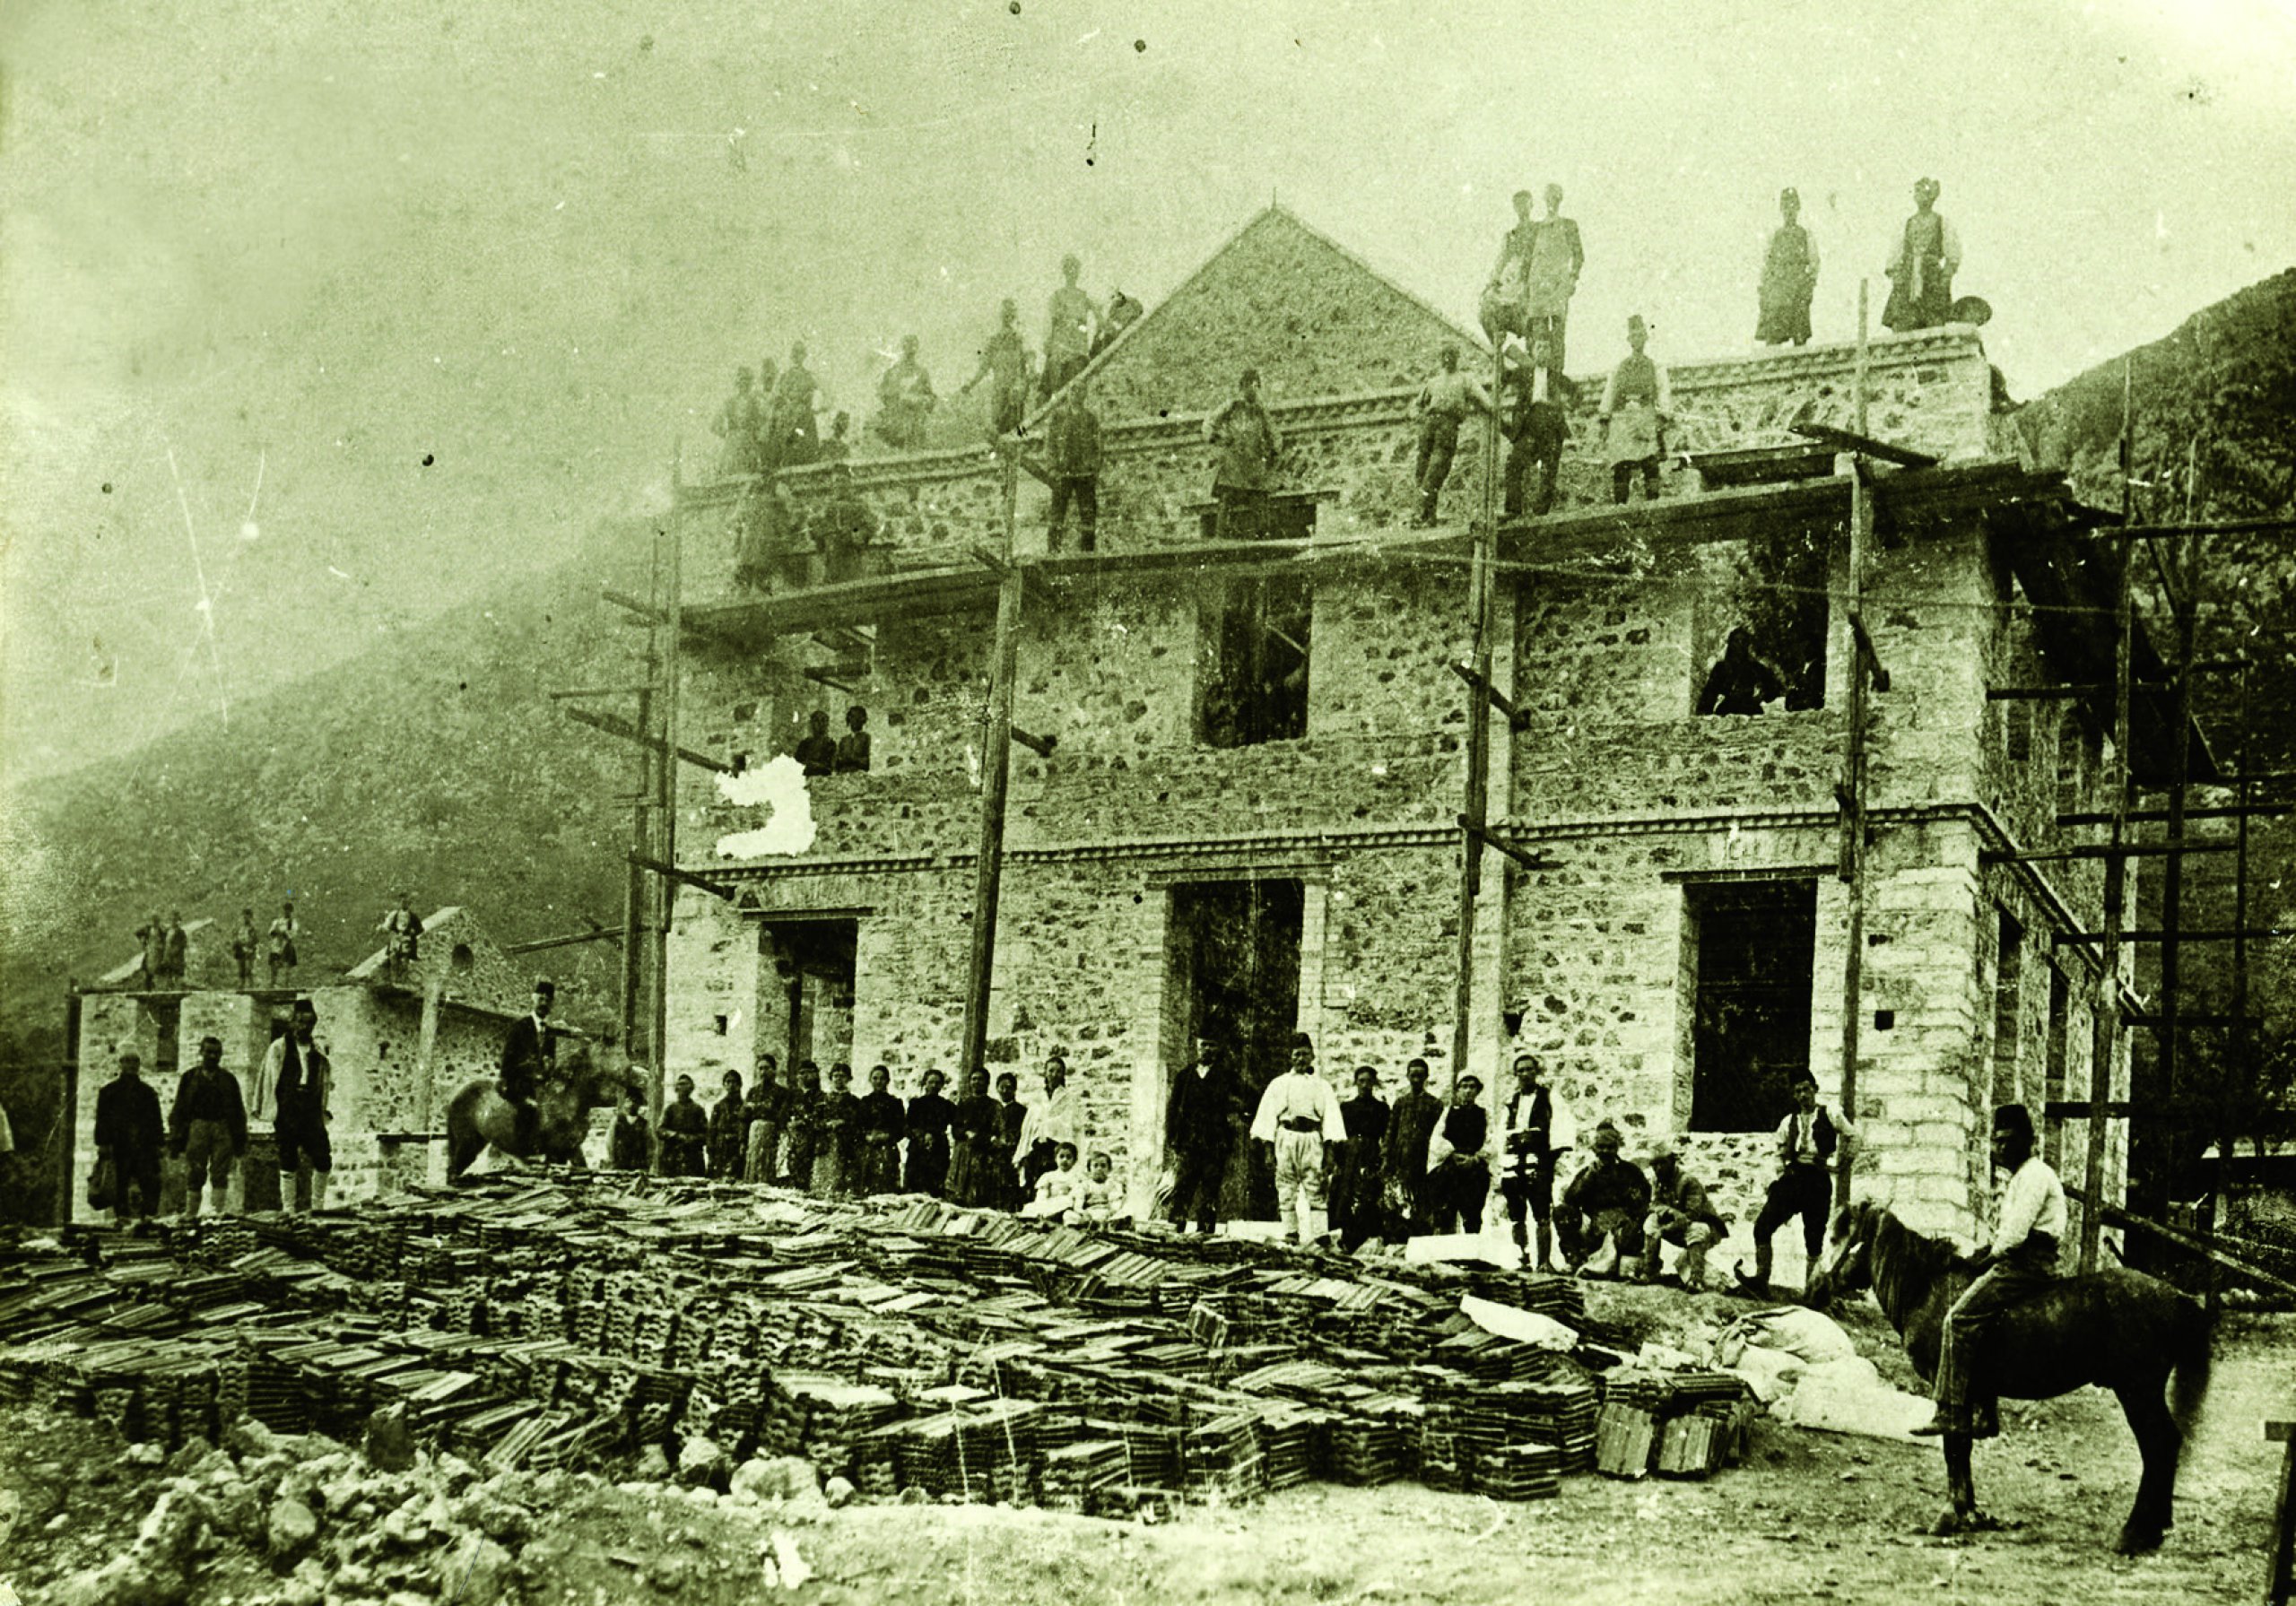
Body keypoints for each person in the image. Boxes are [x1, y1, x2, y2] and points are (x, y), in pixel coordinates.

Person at [1914, 1105, 2066, 1439]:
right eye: (1997, 1141)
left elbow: (2014, 1236)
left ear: (2028, 1141)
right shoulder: (2020, 1177)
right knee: (1985, 1321)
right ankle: (1985, 1413)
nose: (2001, 1148)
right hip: (2022, 1258)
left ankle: (1950, 1411)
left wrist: (1986, 1259)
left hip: (2027, 1264)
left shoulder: (2034, 1176)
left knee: (1958, 1320)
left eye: (2008, 1140)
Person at [1738, 1069, 1855, 1296]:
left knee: (1814, 1239)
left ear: (1815, 1089)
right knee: (1762, 1226)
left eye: (1806, 1089)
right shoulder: (1788, 1122)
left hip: (1818, 1181)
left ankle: (1811, 1291)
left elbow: (1853, 1136)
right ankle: (1761, 1279)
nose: (1802, 1095)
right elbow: (1778, 1152)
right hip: (1794, 1179)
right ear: (1794, 1095)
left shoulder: (1830, 1113)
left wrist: (1841, 1165)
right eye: (1798, 1091)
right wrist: (1779, 1175)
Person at [1249, 1033, 1347, 1246]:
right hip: (1286, 1137)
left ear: (1312, 1056)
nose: (1301, 1059)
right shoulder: (1279, 1084)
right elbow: (1267, 1117)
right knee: (1286, 1186)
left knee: (1316, 1186)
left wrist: (1329, 1152)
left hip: (1312, 1139)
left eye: (1304, 1054)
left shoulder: (1322, 1085)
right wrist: (1268, 1150)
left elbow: (1331, 1119)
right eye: (1296, 1055)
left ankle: (1320, 1233)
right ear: (1290, 1057)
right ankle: (1291, 1232)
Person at [252, 999, 334, 1212]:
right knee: (288, 1157)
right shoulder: (279, 1048)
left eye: (309, 1023)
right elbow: (269, 1078)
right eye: (300, 1022)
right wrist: (272, 1108)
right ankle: (289, 1209)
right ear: (292, 1023)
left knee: (323, 1157)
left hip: (310, 1107)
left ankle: (318, 1205)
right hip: (288, 1107)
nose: (304, 1027)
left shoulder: (317, 1050)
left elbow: (324, 1080)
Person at [1499, 1053, 1577, 1270]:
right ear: (1516, 1074)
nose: (1525, 1074)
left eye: (1529, 1069)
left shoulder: (1549, 1098)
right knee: (1517, 1215)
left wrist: (1550, 1158)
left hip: (1538, 1162)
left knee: (1542, 1214)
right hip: (1514, 1163)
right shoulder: (1511, 1102)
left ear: (1537, 1072)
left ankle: (1544, 1261)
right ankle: (1522, 1259)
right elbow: (1502, 1133)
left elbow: (1562, 1127)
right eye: (1520, 1071)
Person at [1411, 345, 1492, 527]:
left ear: (1457, 358)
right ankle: (1428, 517)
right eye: (1444, 355)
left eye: (1451, 355)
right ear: (1441, 359)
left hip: (1448, 426)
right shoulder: (1433, 382)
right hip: (1429, 425)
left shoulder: (1465, 379)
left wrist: (1489, 407)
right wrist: (1419, 417)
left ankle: (1420, 512)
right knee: (1422, 469)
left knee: (1437, 468)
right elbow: (1416, 405)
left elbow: (1485, 400)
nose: (1447, 359)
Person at [1557, 1120, 1651, 1275]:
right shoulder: (1587, 1172)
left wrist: (1626, 1218)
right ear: (1594, 1149)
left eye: (1610, 1147)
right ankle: (1574, 1260)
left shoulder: (1630, 1171)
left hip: (1623, 1232)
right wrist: (1588, 1178)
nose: (1605, 1151)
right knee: (1562, 1212)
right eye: (1601, 1147)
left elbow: (1644, 1202)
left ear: (1617, 1148)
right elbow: (1570, 1200)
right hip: (1594, 1232)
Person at [1163, 1037, 1237, 1234]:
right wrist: (1172, 1137)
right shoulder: (1185, 1076)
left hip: (1215, 1144)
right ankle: (1174, 1231)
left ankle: (1204, 1234)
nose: (1207, 1049)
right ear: (1197, 1047)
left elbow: (1248, 1098)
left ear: (1218, 1048)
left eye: (1212, 1045)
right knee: (1182, 1189)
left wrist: (1233, 1116)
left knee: (1209, 1192)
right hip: (1189, 1143)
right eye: (1204, 1045)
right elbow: (1172, 1109)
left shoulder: (1226, 1075)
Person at [170, 1037, 247, 1220]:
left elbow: (238, 1110)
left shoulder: (228, 1079)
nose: (212, 1056)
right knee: (195, 1171)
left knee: (220, 1172)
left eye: (216, 1053)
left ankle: (217, 1213)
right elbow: (180, 1108)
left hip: (222, 1127)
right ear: (201, 1053)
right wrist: (176, 1138)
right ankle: (191, 1213)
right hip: (198, 1126)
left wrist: (240, 1140)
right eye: (209, 1052)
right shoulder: (189, 1078)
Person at [1599, 316, 1671, 506]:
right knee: (1621, 464)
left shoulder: (1654, 366)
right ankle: (1620, 507)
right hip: (1623, 419)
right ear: (1629, 340)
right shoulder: (1620, 367)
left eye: (1640, 336)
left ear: (1645, 338)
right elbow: (1610, 390)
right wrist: (1605, 417)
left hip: (1645, 416)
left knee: (1650, 462)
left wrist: (1663, 415)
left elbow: (1663, 390)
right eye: (1633, 336)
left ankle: (1653, 504)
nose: (1637, 340)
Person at [1205, 369, 1283, 542]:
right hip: (1233, 462)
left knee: (1260, 502)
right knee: (1226, 498)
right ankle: (1220, 537)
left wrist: (1274, 451)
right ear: (1243, 387)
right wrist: (1219, 437)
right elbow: (1209, 424)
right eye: (1250, 386)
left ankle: (1263, 539)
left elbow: (1274, 433)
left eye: (1256, 387)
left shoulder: (1260, 411)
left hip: (1254, 463)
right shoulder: (1231, 406)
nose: (1253, 391)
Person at [1639, 1139, 1727, 1289]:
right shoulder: (1657, 1181)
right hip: (1678, 1226)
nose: (1658, 1168)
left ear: (1672, 1161)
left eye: (1662, 1163)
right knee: (1651, 1222)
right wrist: (1671, 1211)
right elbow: (1654, 1205)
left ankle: (1696, 1279)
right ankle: (1650, 1270)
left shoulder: (1689, 1181)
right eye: (1654, 1165)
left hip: (1706, 1230)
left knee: (1697, 1229)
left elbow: (1691, 1216)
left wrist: (1664, 1230)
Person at [1500, 331, 1570, 520]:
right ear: (1532, 351)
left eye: (1547, 347)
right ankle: (1513, 509)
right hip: (1530, 424)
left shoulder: (1556, 376)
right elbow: (1503, 377)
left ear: (1551, 353)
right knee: (1514, 463)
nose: (1543, 351)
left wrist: (1565, 405)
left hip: (1551, 424)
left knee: (1549, 468)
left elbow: (1575, 393)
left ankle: (1541, 512)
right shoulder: (1524, 374)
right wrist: (1500, 349)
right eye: (1539, 347)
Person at [1882, 178, 1961, 334]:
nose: (1920, 197)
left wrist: (1945, 279)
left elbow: (1953, 256)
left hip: (1932, 278)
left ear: (1932, 196)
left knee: (1934, 321)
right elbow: (1894, 258)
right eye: (1917, 192)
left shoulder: (1942, 222)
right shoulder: (1907, 224)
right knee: (1902, 321)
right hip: (1907, 279)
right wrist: (1897, 277)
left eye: (1924, 193)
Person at [1520, 184, 1585, 371]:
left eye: (1555, 198)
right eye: (1549, 198)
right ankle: (1536, 375)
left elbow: (1578, 255)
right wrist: (1524, 288)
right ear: (1544, 199)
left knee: (1557, 334)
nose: (1551, 202)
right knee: (1537, 332)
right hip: (1537, 286)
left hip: (1558, 286)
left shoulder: (1568, 225)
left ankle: (1556, 375)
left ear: (1560, 200)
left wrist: (1572, 278)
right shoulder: (1535, 228)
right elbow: (1526, 261)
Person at [95, 1051, 165, 1223]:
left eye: (134, 1062)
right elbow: (102, 1120)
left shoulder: (148, 1093)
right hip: (120, 1144)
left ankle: (148, 1216)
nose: (131, 1065)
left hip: (144, 1145)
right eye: (127, 1061)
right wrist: (103, 1143)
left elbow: (156, 1121)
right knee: (119, 1181)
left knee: (149, 1180)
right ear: (120, 1064)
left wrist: (159, 1144)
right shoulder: (108, 1092)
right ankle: (122, 1216)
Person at [1383, 1058, 1445, 1238]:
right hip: (1401, 1159)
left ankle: (1422, 1236)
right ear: (1407, 1077)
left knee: (1423, 1199)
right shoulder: (1400, 1103)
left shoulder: (1435, 1104)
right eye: (1413, 1075)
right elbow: (1391, 1131)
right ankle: (1400, 1238)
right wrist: (1386, 1155)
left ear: (1426, 1077)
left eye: (1420, 1075)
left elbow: (1439, 1133)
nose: (1416, 1079)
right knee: (1400, 1198)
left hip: (1423, 1159)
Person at [1425, 1075, 1494, 1234]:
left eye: (1472, 1087)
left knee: (1473, 1214)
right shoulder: (1448, 1112)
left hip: (1474, 1167)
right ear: (1457, 1090)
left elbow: (1492, 1139)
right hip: (1452, 1166)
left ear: (1478, 1091)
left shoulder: (1484, 1114)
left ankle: (1472, 1245)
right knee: (1446, 1212)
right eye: (1464, 1086)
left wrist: (1475, 1158)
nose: (1468, 1091)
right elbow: (1437, 1138)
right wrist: (1452, 1154)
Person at [1332, 1065, 1390, 1250]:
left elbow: (1386, 1136)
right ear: (1356, 1083)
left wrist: (1383, 1158)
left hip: (1371, 1153)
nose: (1365, 1085)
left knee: (1368, 1193)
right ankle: (1348, 1238)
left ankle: (1368, 1237)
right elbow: (1339, 1135)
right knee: (1347, 1194)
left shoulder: (1381, 1108)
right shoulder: (1346, 1107)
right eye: (1361, 1081)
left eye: (1369, 1081)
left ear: (1374, 1083)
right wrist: (1338, 1161)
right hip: (1350, 1155)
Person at [497, 979, 558, 1156]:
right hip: (517, 1083)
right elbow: (507, 1063)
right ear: (533, 999)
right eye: (541, 999)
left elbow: (550, 1062)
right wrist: (528, 1069)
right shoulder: (520, 1026)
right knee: (529, 1108)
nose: (544, 1003)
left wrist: (549, 1067)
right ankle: (523, 1152)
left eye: (548, 1000)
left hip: (540, 1087)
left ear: (551, 1004)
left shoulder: (550, 1034)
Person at [1755, 187, 1820, 347]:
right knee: (1774, 327)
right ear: (1781, 209)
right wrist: (1763, 284)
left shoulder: (1805, 234)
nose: (1789, 211)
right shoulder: (1775, 235)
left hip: (1798, 284)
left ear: (1798, 208)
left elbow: (1814, 260)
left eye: (1792, 206)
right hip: (1779, 285)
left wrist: (1810, 280)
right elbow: (1766, 262)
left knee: (1799, 328)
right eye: (1785, 207)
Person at [1044, 378, 1102, 553]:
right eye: (1073, 390)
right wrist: (1052, 468)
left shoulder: (1090, 419)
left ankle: (1088, 553)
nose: (1076, 394)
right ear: (1068, 393)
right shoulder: (1058, 417)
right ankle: (1053, 552)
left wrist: (1094, 468)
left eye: (1080, 390)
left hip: (1084, 473)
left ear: (1085, 394)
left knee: (1088, 513)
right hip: (1063, 473)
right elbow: (1050, 444)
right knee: (1057, 513)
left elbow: (1098, 446)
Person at [961, 299, 1033, 438]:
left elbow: (1029, 357)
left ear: (1014, 316)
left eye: (1010, 313)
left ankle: (1018, 445)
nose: (1007, 317)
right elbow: (983, 368)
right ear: (1001, 316)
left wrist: (1031, 373)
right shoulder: (994, 341)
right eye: (1005, 313)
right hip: (1000, 390)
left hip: (1016, 388)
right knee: (999, 426)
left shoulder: (1019, 339)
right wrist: (970, 384)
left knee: (1018, 426)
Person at [1013, 1055, 1083, 1199]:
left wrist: (1049, 1125)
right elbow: (1029, 1126)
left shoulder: (1069, 1099)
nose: (1054, 1075)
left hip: (1057, 1149)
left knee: (1055, 1186)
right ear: (1045, 1073)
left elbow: (1071, 1124)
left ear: (1063, 1074)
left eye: (1058, 1071)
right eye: (1051, 1071)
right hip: (1038, 1148)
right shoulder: (1037, 1098)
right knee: (1034, 1185)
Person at [1040, 254, 1098, 398]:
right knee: (1056, 390)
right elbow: (1052, 324)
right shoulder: (1057, 296)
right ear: (1064, 271)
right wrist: (1049, 345)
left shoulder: (1084, 297)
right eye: (1069, 268)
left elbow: (1098, 318)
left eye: (1075, 268)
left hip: (1078, 351)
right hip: (1060, 352)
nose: (1072, 272)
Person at [812, 462, 879, 583]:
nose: (839, 485)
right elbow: (818, 536)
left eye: (843, 481)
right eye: (836, 481)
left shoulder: (859, 505)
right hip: (832, 563)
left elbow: (871, 527)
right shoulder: (827, 508)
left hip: (852, 559)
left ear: (849, 483)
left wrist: (853, 533)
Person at [948, 1068, 1000, 1207]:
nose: (976, 1082)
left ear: (987, 1083)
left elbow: (997, 1131)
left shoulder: (994, 1106)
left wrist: (980, 1137)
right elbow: (955, 1129)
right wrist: (965, 1133)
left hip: (983, 1154)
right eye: (974, 1079)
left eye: (980, 1079)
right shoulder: (964, 1103)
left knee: (979, 1193)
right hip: (963, 1154)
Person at [874, 334, 936, 450]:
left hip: (917, 420)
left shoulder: (922, 372)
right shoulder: (893, 372)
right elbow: (884, 396)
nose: (911, 348)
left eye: (914, 345)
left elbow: (930, 396)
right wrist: (898, 399)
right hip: (898, 421)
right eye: (908, 344)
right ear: (903, 347)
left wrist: (923, 400)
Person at [766, 343, 822, 466]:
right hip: (787, 417)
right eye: (795, 353)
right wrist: (784, 405)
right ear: (792, 356)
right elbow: (775, 398)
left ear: (804, 356)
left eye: (800, 353)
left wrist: (814, 407)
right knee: (784, 444)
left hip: (804, 417)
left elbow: (822, 395)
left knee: (805, 443)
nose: (797, 356)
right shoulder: (784, 376)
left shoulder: (809, 376)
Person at [903, 1068, 956, 1197]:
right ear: (925, 1083)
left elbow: (958, 1123)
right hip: (918, 1149)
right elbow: (907, 1127)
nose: (934, 1085)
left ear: (942, 1085)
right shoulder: (916, 1104)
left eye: (937, 1083)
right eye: (931, 1082)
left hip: (939, 1149)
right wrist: (922, 1136)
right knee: (915, 1186)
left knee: (936, 1186)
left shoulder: (947, 1105)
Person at [856, 1064, 906, 1194]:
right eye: (875, 1078)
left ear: (888, 1081)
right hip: (868, 1148)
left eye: (882, 1078)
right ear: (870, 1080)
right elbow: (857, 1126)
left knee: (887, 1184)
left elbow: (901, 1128)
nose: (878, 1082)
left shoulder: (895, 1103)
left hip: (887, 1148)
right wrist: (866, 1136)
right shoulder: (864, 1102)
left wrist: (887, 1136)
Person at [813, 1062, 860, 1195]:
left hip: (845, 1144)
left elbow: (857, 1124)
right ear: (831, 1078)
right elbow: (815, 1122)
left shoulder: (854, 1101)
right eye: (836, 1076)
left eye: (842, 1076)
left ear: (848, 1079)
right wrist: (826, 1124)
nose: (839, 1079)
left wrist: (843, 1122)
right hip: (825, 1144)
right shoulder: (823, 1100)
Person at [744, 1055, 790, 1184]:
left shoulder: (782, 1092)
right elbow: (745, 1115)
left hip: (771, 1133)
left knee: (769, 1163)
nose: (763, 1072)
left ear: (774, 1070)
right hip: (754, 1134)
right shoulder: (752, 1092)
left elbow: (782, 1115)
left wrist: (759, 1108)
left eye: (766, 1068)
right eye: (760, 1069)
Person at [713, 368, 766, 476]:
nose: (744, 385)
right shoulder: (729, 403)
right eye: (742, 381)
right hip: (733, 442)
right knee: (729, 471)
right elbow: (715, 424)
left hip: (749, 441)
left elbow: (763, 421)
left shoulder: (755, 402)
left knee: (753, 470)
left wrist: (756, 431)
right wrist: (725, 434)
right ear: (737, 383)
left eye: (747, 381)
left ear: (750, 384)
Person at [783, 1061, 824, 1191]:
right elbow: (783, 1114)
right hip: (792, 1136)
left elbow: (818, 1115)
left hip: (811, 1137)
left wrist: (803, 1122)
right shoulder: (792, 1095)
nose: (805, 1076)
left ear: (816, 1075)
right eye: (801, 1073)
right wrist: (788, 1124)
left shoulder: (821, 1096)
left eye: (809, 1072)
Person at [659, 1074, 709, 1176]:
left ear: (691, 1088)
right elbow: (660, 1130)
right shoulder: (670, 1109)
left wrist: (691, 1138)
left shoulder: (698, 1110)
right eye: (680, 1084)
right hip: (672, 1157)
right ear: (676, 1088)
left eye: (686, 1084)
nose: (683, 1088)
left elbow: (706, 1134)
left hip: (693, 1157)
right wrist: (675, 1135)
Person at [1023, 1140, 1086, 1220]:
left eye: (1069, 1157)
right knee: (1029, 1207)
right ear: (1056, 1159)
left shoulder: (1077, 1176)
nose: (1065, 1160)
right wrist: (1042, 1202)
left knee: (1067, 1207)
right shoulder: (1049, 1176)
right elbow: (1042, 1194)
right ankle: (1043, 1214)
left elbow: (1079, 1194)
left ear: (1075, 1161)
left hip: (1067, 1202)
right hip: (1050, 1202)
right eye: (1061, 1156)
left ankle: (1052, 1216)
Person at [993, 1071, 1028, 1210]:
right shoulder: (993, 1108)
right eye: (1002, 1087)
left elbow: (1023, 1132)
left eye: (1009, 1087)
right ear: (997, 1088)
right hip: (994, 1152)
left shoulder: (1022, 1111)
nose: (1005, 1091)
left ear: (1014, 1089)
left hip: (1013, 1152)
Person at [708, 1070, 748, 1179]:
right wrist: (711, 1152)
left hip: (737, 1148)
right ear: (724, 1085)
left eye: (734, 1082)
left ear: (740, 1085)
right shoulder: (718, 1106)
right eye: (728, 1082)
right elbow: (712, 1130)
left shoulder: (745, 1106)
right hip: (721, 1148)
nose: (731, 1085)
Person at [379, 893, 422, 979]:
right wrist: (384, 928)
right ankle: (394, 979)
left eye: (406, 903)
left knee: (404, 960)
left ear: (409, 904)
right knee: (393, 958)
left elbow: (420, 929)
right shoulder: (394, 914)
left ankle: (403, 979)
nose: (404, 904)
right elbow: (388, 925)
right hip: (395, 939)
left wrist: (413, 932)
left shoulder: (413, 916)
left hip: (406, 940)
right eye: (402, 902)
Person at [609, 1089, 652, 1172]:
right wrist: (612, 1160)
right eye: (628, 1101)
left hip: (638, 1164)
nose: (631, 1104)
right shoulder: (617, 1121)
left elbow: (649, 1144)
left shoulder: (644, 1124)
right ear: (624, 1103)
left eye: (635, 1101)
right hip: (620, 1164)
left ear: (640, 1104)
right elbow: (610, 1142)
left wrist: (648, 1163)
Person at [1076, 1150, 1124, 1224]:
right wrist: (1083, 1213)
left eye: (1103, 1166)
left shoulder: (1112, 1184)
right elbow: (1078, 1203)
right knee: (1068, 1215)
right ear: (1089, 1169)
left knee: (1123, 1213)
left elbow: (1115, 1202)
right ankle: (1089, 1224)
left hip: (1107, 1212)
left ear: (1109, 1169)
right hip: (1089, 1212)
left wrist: (1112, 1211)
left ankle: (1102, 1225)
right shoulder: (1085, 1185)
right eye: (1095, 1166)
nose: (1099, 1169)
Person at [1094, 289, 1143, 356]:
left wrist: (1131, 322)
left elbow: (1139, 311)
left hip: (1132, 328)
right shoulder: (1113, 309)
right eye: (1112, 298)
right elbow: (1110, 321)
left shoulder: (1132, 302)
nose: (1113, 301)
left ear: (1120, 296)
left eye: (1114, 297)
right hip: (1118, 332)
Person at [794, 711, 838, 777]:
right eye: (817, 720)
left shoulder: (831, 744)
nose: (820, 724)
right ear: (811, 723)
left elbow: (831, 766)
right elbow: (797, 763)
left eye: (823, 720)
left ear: (827, 724)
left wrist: (815, 765)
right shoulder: (804, 744)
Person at [266, 901, 300, 987]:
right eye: (285, 910)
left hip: (286, 946)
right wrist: (277, 932)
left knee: (287, 967)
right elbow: (271, 932)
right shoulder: (277, 921)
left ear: (291, 911)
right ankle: (273, 983)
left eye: (289, 910)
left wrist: (283, 933)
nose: (287, 912)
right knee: (274, 965)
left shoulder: (293, 923)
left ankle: (287, 984)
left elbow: (291, 936)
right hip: (277, 946)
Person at [834, 705, 872, 774]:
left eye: (859, 717)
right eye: (853, 717)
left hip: (859, 774)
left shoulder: (866, 737)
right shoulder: (844, 740)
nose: (855, 720)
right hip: (843, 774)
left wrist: (852, 760)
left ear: (863, 720)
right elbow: (837, 762)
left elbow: (866, 762)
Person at [133, 911, 166, 989]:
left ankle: (155, 985)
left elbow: (164, 940)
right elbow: (137, 934)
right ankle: (148, 985)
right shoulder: (148, 929)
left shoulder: (161, 930)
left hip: (157, 951)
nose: (155, 922)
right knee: (148, 968)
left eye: (156, 921)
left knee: (157, 967)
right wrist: (143, 943)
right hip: (150, 950)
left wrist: (161, 947)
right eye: (154, 921)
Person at [230, 907, 259, 988]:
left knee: (249, 969)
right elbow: (236, 937)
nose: (245, 917)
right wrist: (237, 944)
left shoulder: (252, 928)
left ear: (250, 916)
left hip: (250, 949)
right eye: (244, 915)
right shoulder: (240, 927)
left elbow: (255, 939)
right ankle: (242, 985)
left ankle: (251, 986)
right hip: (240, 949)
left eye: (247, 915)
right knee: (241, 968)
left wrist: (248, 946)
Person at [158, 911, 188, 989]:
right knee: (168, 978)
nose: (174, 922)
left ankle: (178, 989)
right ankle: (169, 989)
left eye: (176, 920)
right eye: (172, 920)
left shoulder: (181, 933)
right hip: (167, 960)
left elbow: (182, 944)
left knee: (178, 978)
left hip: (177, 960)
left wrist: (173, 952)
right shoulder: (168, 932)